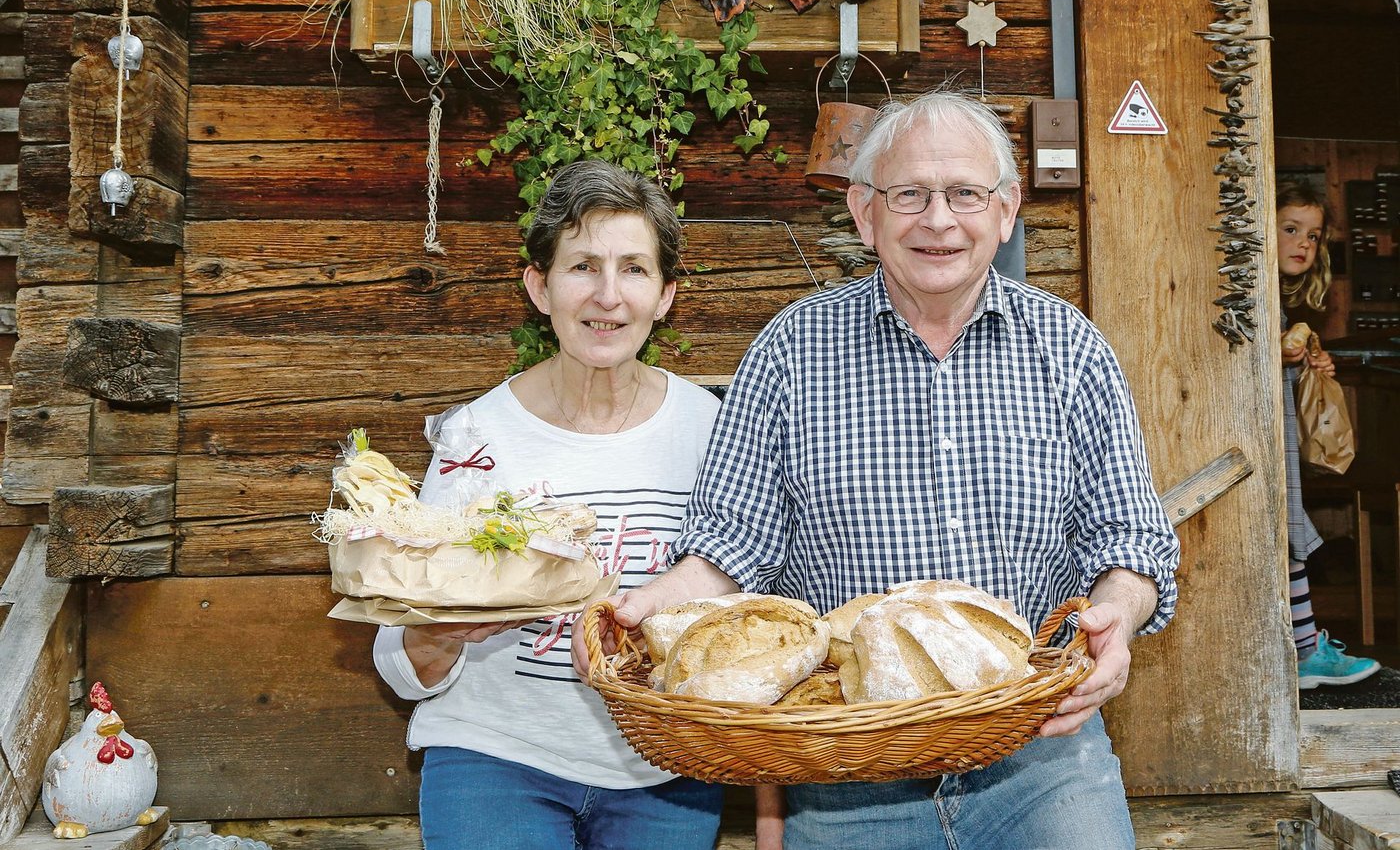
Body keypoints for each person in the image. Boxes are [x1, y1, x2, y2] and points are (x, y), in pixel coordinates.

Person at [575, 90, 1182, 850]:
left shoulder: (1072, 349)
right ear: (865, 213)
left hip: (1041, 755)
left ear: (1005, 211)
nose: (938, 219)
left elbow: (1129, 539)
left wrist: (1116, 618)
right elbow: (730, 545)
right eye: (909, 194)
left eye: (965, 193)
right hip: (844, 774)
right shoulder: (792, 352)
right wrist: (644, 607)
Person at [372, 160, 725, 850]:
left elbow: (744, 596)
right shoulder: (476, 436)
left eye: (633, 269)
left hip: (667, 766)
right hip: (494, 758)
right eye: (583, 266)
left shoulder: (711, 429)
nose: (607, 295)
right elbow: (399, 653)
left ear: (665, 295)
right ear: (539, 286)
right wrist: (441, 634)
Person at [1275, 178, 1381, 690]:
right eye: (1291, 229)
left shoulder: (1282, 303)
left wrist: (1309, 364)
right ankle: (1303, 650)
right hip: (1255, 440)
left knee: (1289, 533)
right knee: (1287, 533)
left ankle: (1303, 647)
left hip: (1275, 436)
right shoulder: (1250, 295)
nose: (1303, 243)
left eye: (1313, 236)